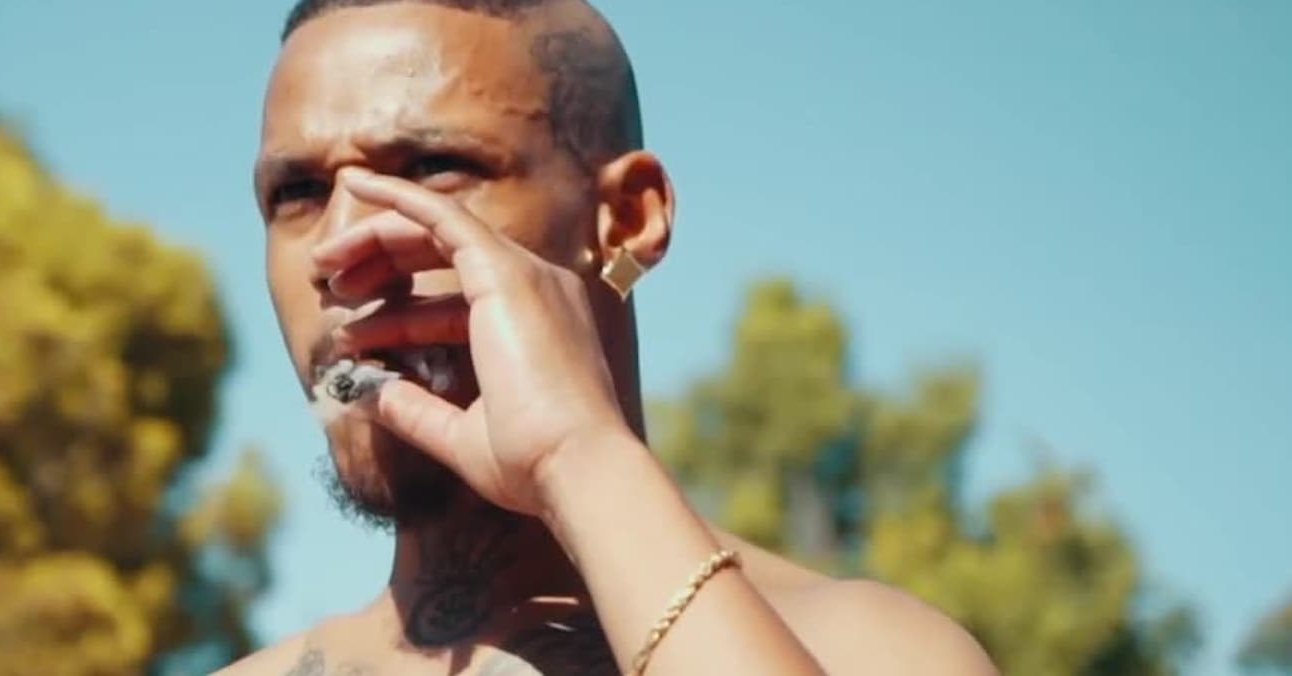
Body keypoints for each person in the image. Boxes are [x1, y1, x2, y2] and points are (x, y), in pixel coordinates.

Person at [223, 1, 999, 673]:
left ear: (627, 219)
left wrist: (578, 457)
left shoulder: (862, 650)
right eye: (298, 192)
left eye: (431, 168)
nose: (341, 254)